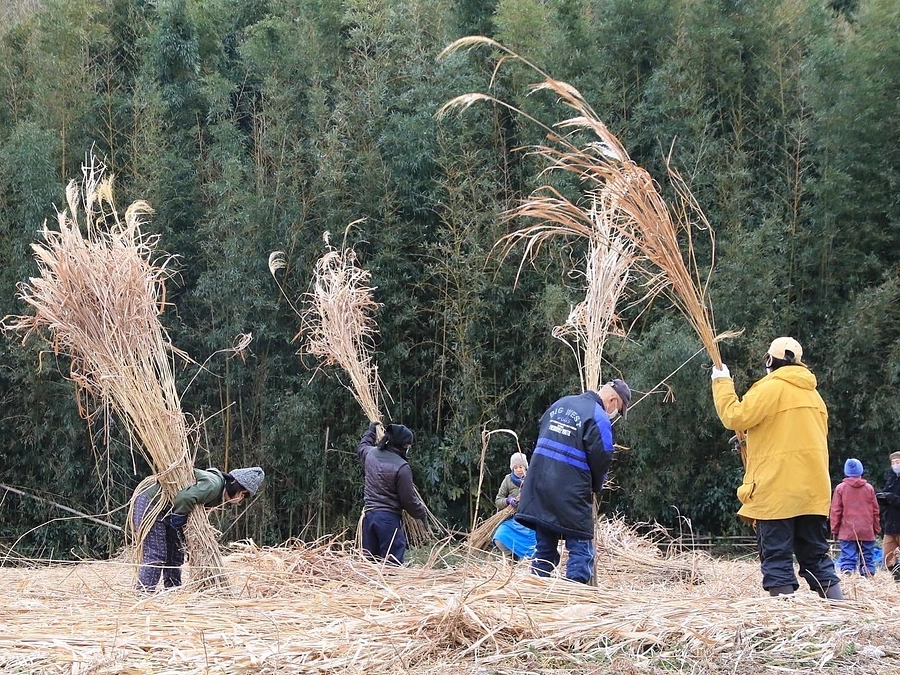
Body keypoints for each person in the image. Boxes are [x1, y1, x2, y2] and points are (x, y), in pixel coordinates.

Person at [711, 337, 843, 599]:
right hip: (813, 492)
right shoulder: (814, 396)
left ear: (770, 360)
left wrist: (722, 382)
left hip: (777, 491)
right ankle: (841, 611)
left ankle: (784, 618)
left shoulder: (770, 388)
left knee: (777, 558)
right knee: (816, 556)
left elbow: (735, 417)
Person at [515, 379, 631, 584]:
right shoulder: (598, 416)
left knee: (544, 549)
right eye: (618, 410)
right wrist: (596, 487)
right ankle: (574, 596)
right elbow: (603, 457)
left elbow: (541, 432)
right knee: (581, 549)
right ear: (613, 400)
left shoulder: (560, 404)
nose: (614, 414)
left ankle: (535, 593)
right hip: (571, 491)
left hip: (539, 486)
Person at [132, 466, 265, 591]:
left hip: (167, 509)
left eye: (244, 496)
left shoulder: (219, 493)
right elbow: (185, 497)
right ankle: (144, 594)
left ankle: (172, 592)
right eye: (241, 493)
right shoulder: (214, 486)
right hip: (151, 502)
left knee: (175, 554)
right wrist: (179, 516)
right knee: (156, 553)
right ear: (233, 482)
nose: (239, 499)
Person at [357, 421, 428, 565]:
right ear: (403, 446)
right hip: (388, 521)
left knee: (370, 565)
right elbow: (408, 500)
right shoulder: (402, 467)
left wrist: (370, 432)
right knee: (392, 565)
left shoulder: (371, 454)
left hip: (369, 518)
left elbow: (362, 447)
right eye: (408, 446)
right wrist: (421, 513)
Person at [830, 458, 880, 577]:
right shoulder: (869, 488)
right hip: (866, 530)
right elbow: (875, 511)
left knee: (848, 557)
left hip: (847, 530)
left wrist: (834, 529)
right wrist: (876, 528)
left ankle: (848, 577)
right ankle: (868, 577)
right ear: (861, 471)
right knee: (867, 558)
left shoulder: (841, 488)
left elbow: (836, 511)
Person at [491, 452, 536, 560]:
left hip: (531, 520)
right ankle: (511, 559)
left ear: (525, 467)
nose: (518, 470)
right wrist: (508, 500)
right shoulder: (508, 480)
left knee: (535, 545)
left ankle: (530, 561)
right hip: (513, 520)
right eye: (515, 467)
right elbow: (498, 500)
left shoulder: (532, 478)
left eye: (521, 467)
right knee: (500, 536)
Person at [876, 451, 900, 580]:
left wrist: (891, 498)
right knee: (888, 557)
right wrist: (882, 499)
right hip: (890, 524)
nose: (895, 465)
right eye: (893, 462)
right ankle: (897, 578)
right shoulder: (891, 479)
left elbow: (894, 499)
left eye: (898, 462)